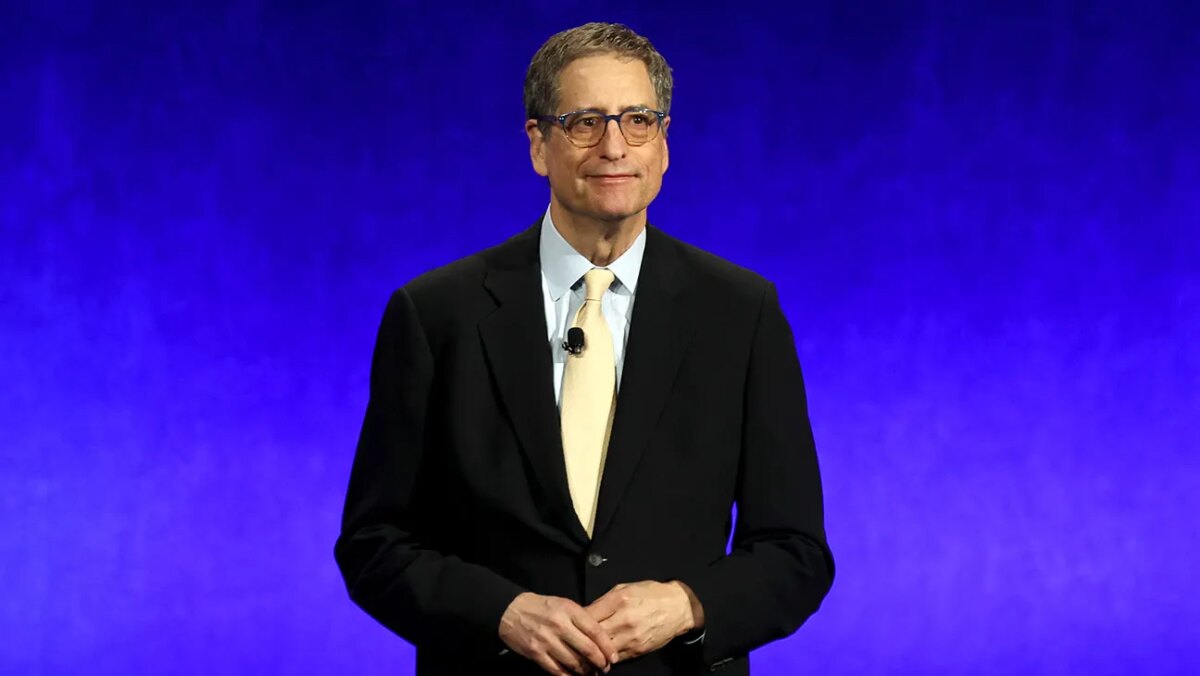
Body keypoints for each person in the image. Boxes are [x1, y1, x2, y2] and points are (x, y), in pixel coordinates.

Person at [334, 22, 834, 676]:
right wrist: (501, 613)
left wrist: (688, 604)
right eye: (584, 122)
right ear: (539, 145)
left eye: (637, 120)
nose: (614, 146)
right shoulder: (435, 315)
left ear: (664, 144)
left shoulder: (741, 313)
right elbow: (374, 545)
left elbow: (796, 552)